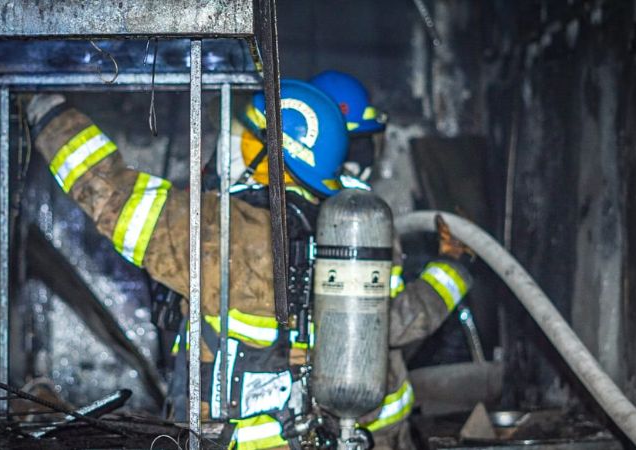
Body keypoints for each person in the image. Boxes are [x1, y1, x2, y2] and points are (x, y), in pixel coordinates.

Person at [27, 77, 472, 450]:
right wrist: (453, 266)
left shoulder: (223, 229)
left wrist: (43, 108)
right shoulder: (346, 232)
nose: (232, 139)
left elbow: (110, 194)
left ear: (268, 150)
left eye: (245, 132)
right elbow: (395, 322)